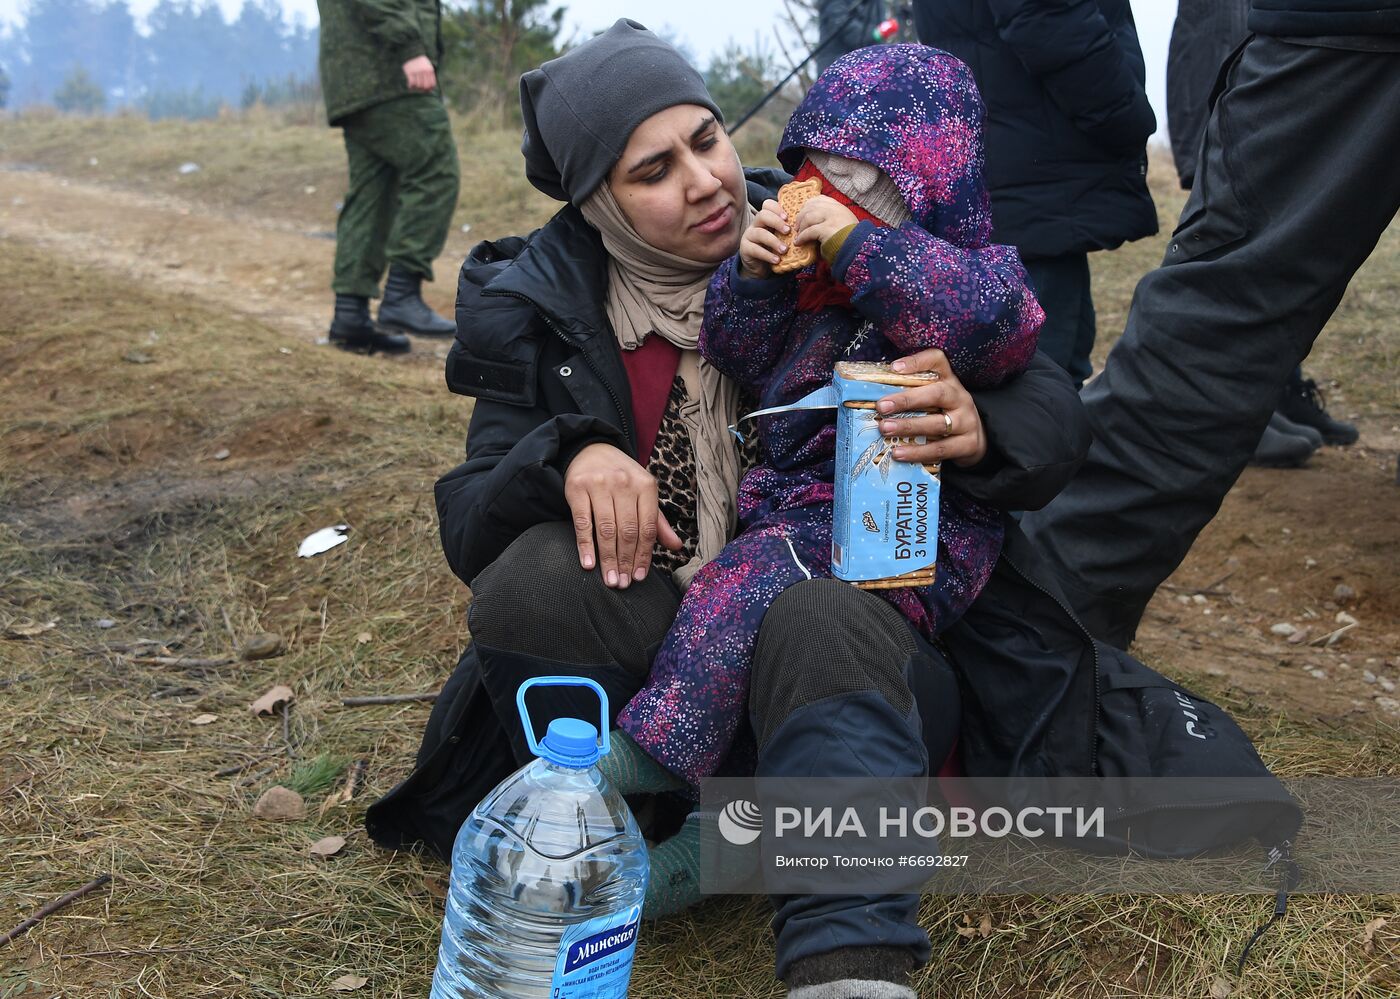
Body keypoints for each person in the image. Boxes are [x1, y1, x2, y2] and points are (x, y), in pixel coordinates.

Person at [367, 22, 1297, 999]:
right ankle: (622, 827)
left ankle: (843, 957)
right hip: (675, 636)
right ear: (598, 198)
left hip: (853, 650)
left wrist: (980, 424)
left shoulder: (837, 224)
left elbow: (1038, 389)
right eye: (652, 170)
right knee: (532, 581)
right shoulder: (545, 300)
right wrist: (570, 453)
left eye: (707, 139)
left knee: (807, 608)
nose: (705, 182)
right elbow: (470, 517)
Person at [608, 45, 1042, 816]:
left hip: (905, 534)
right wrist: (751, 280)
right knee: (750, 623)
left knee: (740, 587)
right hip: (794, 511)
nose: (817, 194)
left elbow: (985, 329)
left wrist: (856, 244)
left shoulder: (979, 276)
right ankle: (698, 841)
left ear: (922, 182)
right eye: (811, 169)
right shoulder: (809, 286)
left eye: (850, 180)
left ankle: (644, 758)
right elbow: (738, 355)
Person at [1021, 0, 1400, 650]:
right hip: (1344, 35)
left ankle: (1029, 625)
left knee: (1211, 324)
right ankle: (1025, 635)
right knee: (1210, 329)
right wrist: (1125, 117)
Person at [913, 0, 1157, 390]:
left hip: (1011, 169)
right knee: (1041, 380)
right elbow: (1051, 19)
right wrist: (1129, 116)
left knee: (1040, 367)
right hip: (1037, 169)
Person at [1167, 0, 1359, 469]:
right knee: (1230, 267)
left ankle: (1273, 397)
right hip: (1241, 126)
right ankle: (1230, 414)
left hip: (1272, 117)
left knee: (1279, 262)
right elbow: (1204, 45)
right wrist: (1202, 145)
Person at [316, 0, 461, 354]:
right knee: (436, 171)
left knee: (373, 193)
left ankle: (350, 315)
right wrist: (410, 49)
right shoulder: (398, 56)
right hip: (387, 72)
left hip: (357, 77)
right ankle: (401, 293)